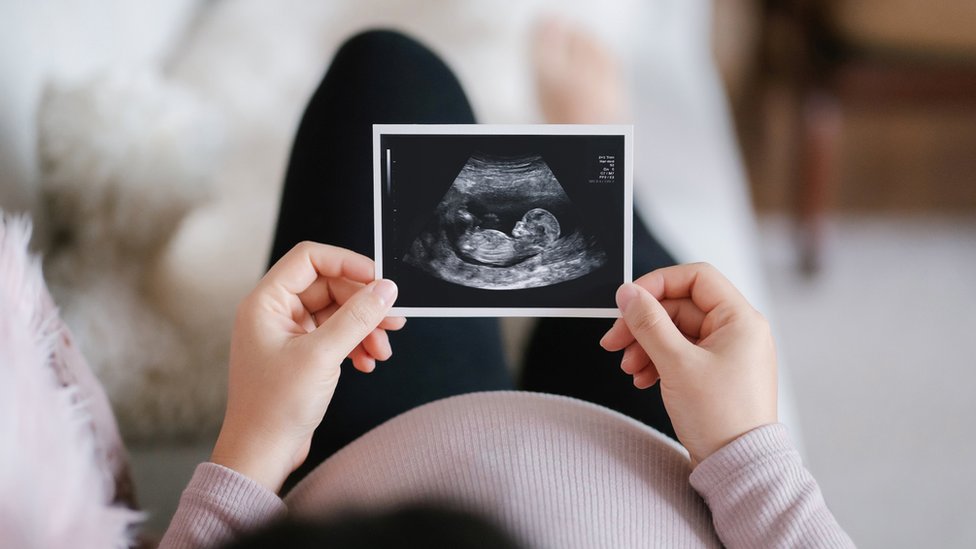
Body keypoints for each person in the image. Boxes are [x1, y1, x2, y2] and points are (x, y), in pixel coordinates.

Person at [159, 28, 854, 549]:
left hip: (361, 455)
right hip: (670, 459)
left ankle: (591, 175)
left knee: (387, 70)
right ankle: (597, 166)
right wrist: (748, 452)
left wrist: (251, 448)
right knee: (633, 279)